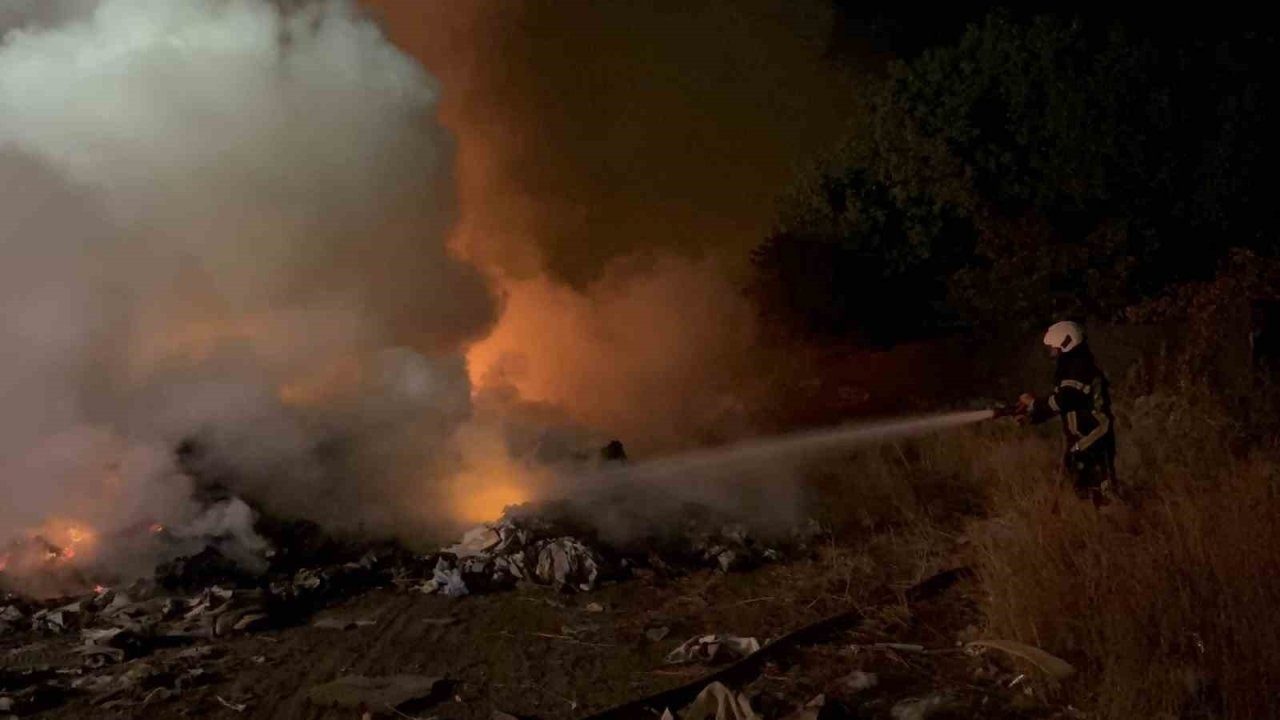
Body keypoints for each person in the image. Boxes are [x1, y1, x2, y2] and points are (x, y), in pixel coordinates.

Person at [1016, 321, 1119, 506]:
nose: (1051, 352)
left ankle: (1123, 515)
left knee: (1102, 489)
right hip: (1083, 437)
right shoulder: (1071, 369)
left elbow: (1064, 400)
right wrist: (1032, 415)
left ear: (1065, 344)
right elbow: (1062, 404)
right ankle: (1100, 517)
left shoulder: (1080, 369)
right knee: (1084, 489)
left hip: (1094, 435)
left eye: (1053, 348)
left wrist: (1034, 404)